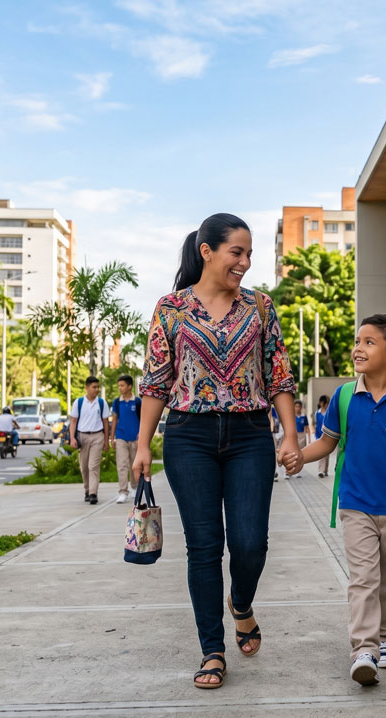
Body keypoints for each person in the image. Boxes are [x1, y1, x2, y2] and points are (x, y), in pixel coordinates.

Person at [132, 213, 298, 690]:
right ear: (207, 251)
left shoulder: (260, 307)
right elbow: (156, 380)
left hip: (250, 435)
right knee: (204, 547)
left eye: (249, 254)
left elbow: (279, 374)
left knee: (250, 542)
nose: (244, 262)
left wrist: (290, 435)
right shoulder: (171, 309)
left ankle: (240, 603)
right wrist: (143, 445)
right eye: (236, 252)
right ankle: (212, 650)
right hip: (189, 436)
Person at [287, 314, 386, 686]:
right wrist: (299, 457)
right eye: (358, 341)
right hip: (355, 505)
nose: (358, 348)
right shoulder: (344, 396)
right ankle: (364, 650)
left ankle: (385, 639)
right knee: (364, 579)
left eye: (369, 342)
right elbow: (327, 442)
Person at [69, 376, 111, 505]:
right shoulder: (79, 402)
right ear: (86, 388)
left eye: (98, 387)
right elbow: (73, 421)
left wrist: (106, 440)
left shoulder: (102, 403)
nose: (96, 389)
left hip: (97, 436)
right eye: (94, 387)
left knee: (93, 466)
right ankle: (87, 490)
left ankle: (93, 493)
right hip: (82, 436)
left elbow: (105, 422)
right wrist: (72, 438)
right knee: (84, 466)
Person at [110, 375, 142, 504]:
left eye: (122, 385)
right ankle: (123, 492)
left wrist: (141, 435)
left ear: (129, 386)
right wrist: (112, 438)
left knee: (134, 465)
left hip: (135, 438)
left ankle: (134, 488)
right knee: (122, 465)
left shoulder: (138, 401)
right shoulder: (117, 402)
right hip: (121, 437)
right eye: (119, 385)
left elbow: (143, 420)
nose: (120, 388)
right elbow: (114, 420)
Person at [289, 399, 309, 479]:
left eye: (299, 406)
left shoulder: (304, 416)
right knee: (292, 454)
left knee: (300, 454)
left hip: (302, 435)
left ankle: (297, 471)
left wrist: (308, 437)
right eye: (296, 406)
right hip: (294, 435)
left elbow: (307, 427)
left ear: (301, 407)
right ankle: (289, 471)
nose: (297, 408)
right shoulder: (291, 416)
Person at [314, 395, 330, 477]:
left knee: (326, 454)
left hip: (327, 435)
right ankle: (321, 471)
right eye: (326, 403)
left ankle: (325, 470)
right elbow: (316, 424)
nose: (327, 405)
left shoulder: (329, 412)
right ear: (321, 403)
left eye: (328, 403)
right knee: (321, 453)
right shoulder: (317, 413)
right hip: (319, 435)